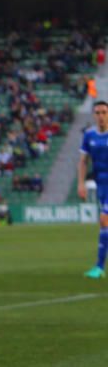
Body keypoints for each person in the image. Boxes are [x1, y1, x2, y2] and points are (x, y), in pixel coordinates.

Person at [77, 100, 108, 278]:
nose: (101, 116)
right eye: (98, 113)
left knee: (104, 220)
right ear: (93, 116)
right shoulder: (89, 136)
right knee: (104, 223)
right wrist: (81, 183)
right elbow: (82, 161)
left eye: (104, 112)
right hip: (101, 185)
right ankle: (99, 267)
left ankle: (99, 267)